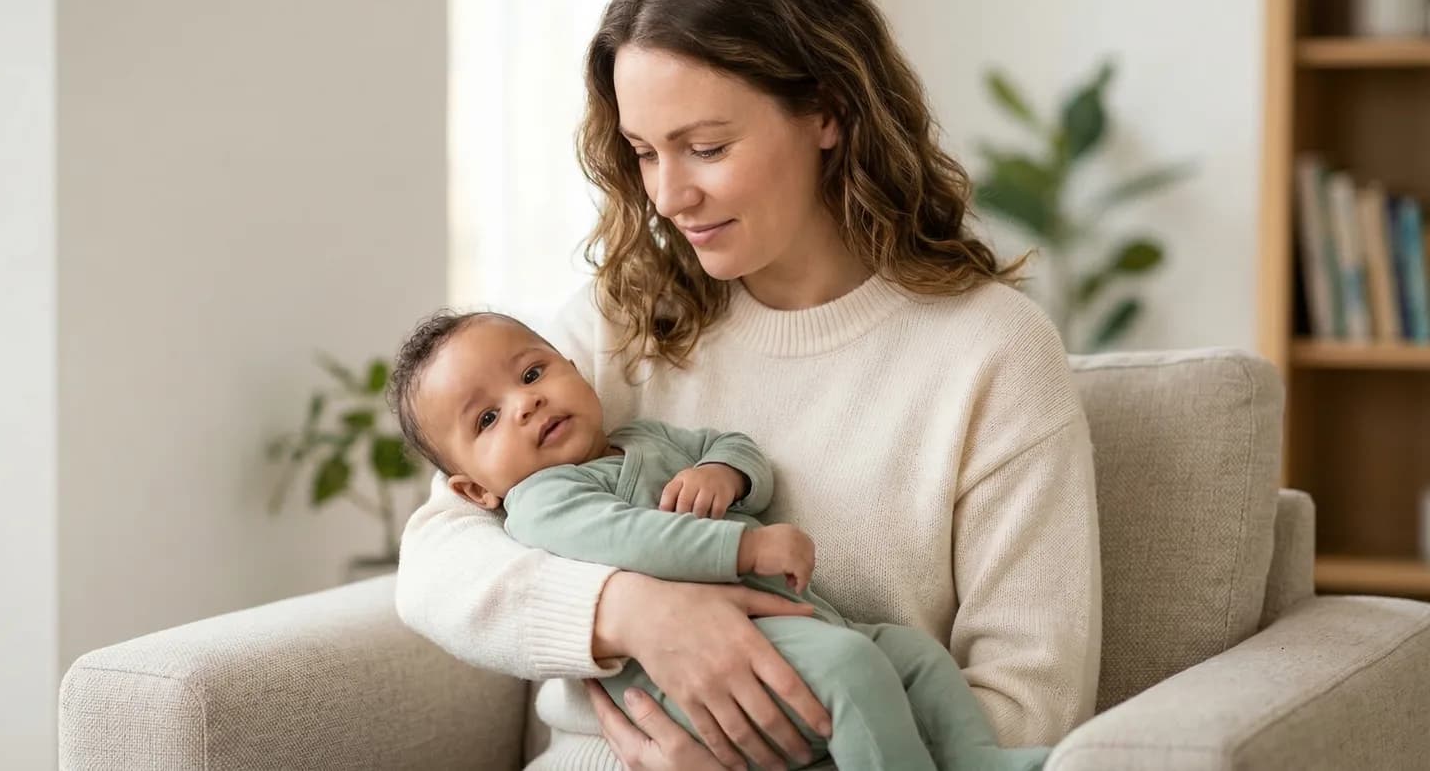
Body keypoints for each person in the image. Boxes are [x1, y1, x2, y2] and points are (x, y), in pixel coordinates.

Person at [396, 0, 1100, 771]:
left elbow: (1028, 705)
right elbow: (437, 559)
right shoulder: (621, 318)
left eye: (707, 148)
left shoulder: (990, 351)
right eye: (645, 153)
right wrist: (629, 611)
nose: (669, 196)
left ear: (828, 112)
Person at [385, 307, 1052, 771]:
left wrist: (724, 471)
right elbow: (630, 539)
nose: (525, 402)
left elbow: (729, 444)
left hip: (803, 628)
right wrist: (746, 550)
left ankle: (979, 762)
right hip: (696, 692)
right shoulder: (541, 501)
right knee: (852, 670)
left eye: (533, 374)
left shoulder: (643, 439)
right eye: (489, 418)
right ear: (474, 491)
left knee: (910, 655)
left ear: (573, 367)